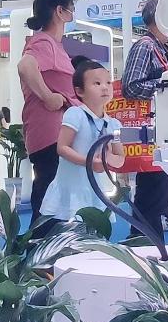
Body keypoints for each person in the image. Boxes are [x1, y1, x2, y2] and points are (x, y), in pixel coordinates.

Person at [17, 0, 80, 226]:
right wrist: (48, 96)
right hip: (50, 135)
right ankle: (40, 244)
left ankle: (44, 243)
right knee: (49, 200)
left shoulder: (53, 45)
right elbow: (26, 66)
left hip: (55, 134)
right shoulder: (44, 43)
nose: (73, 12)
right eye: (71, 7)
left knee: (53, 197)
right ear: (60, 11)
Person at [40, 61, 125, 224]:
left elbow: (120, 158)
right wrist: (90, 162)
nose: (105, 87)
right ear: (79, 91)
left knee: (93, 232)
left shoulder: (114, 124)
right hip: (70, 189)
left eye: (108, 82)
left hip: (94, 190)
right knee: (65, 231)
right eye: (97, 83)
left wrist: (107, 159)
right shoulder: (75, 114)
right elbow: (62, 147)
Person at [121, 0, 168, 239]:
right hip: (150, 134)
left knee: (158, 194)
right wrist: (165, 86)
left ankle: (147, 243)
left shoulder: (162, 47)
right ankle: (143, 244)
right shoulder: (145, 46)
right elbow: (130, 86)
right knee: (151, 194)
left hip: (163, 131)